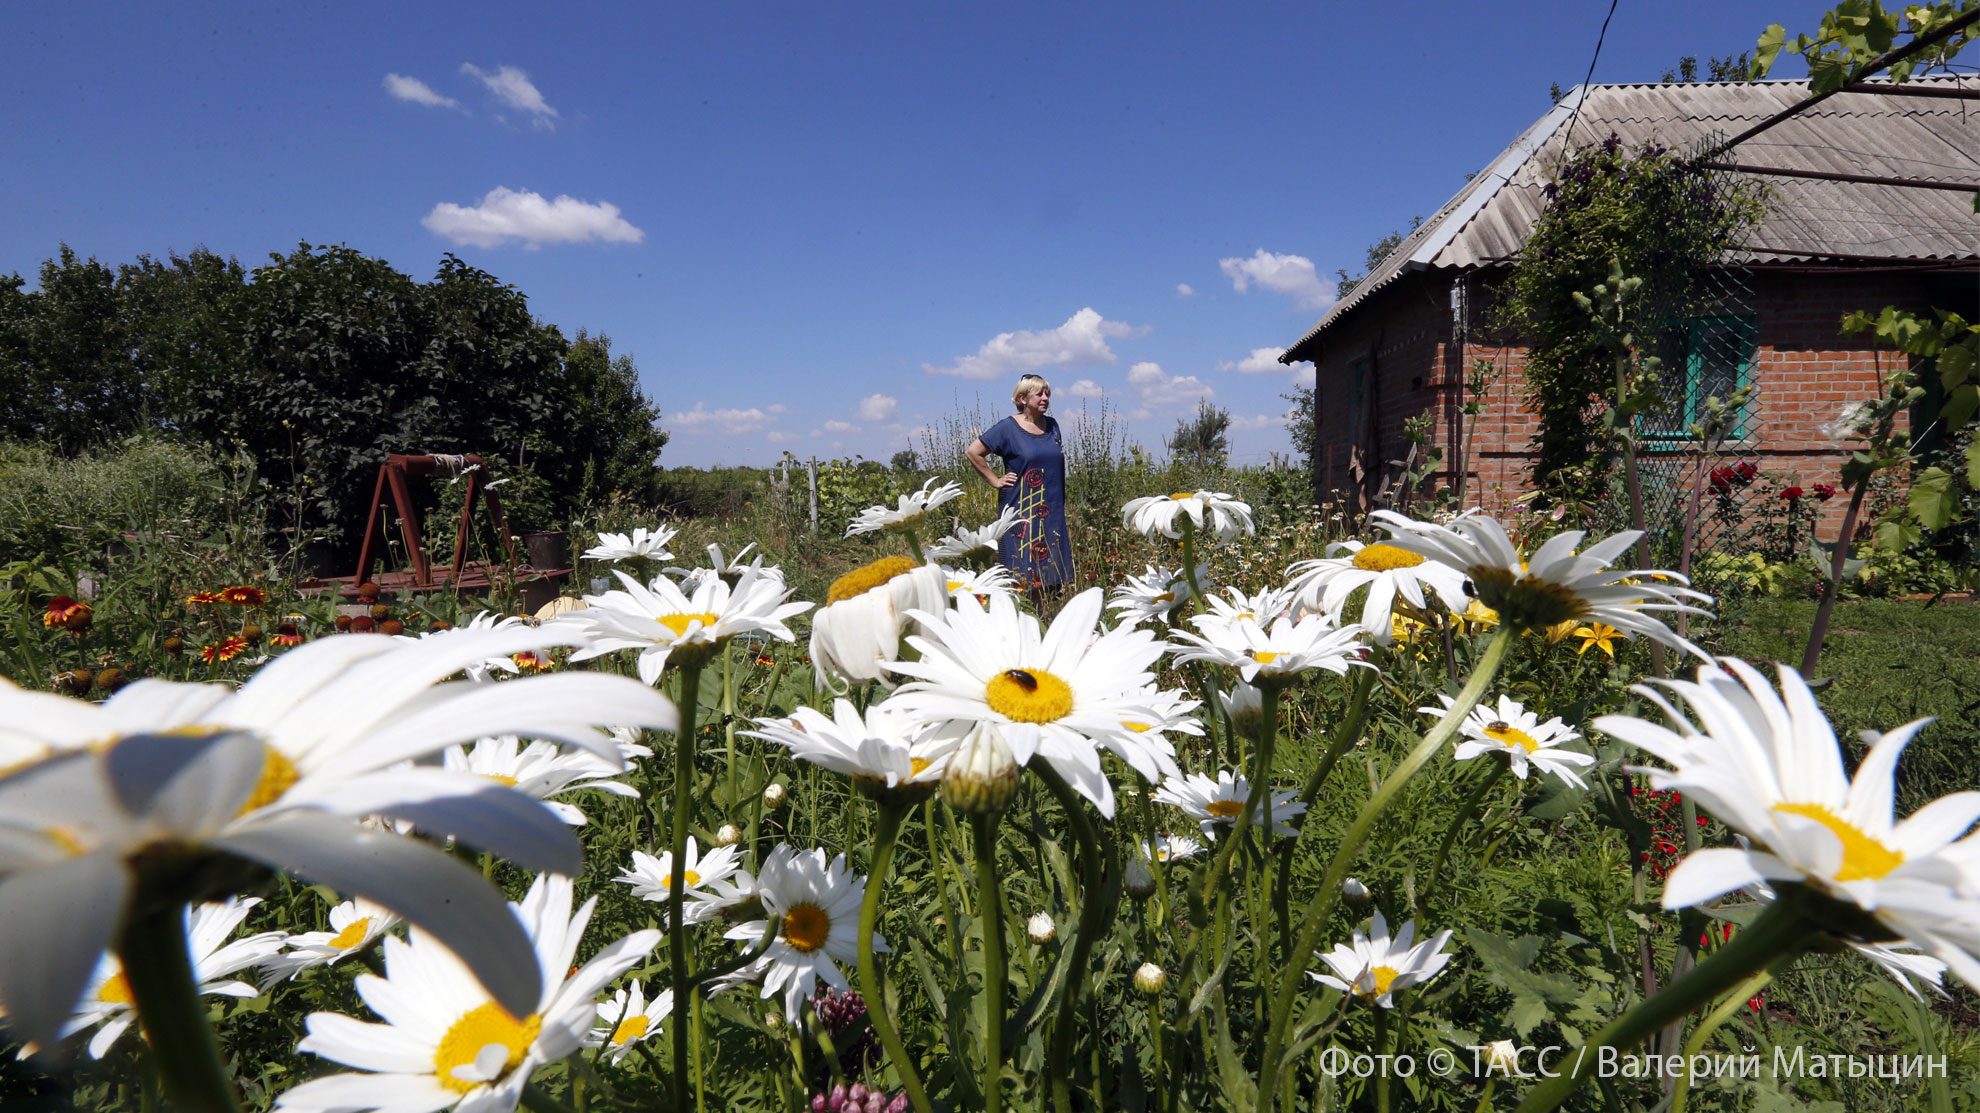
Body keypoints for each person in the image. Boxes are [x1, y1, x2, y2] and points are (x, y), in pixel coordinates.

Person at [966, 374, 1073, 592]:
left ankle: (1046, 620)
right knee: (1021, 575)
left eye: (1047, 393)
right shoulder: (1007, 428)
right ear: (1022, 399)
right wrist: (995, 480)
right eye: (1039, 394)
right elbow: (973, 452)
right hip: (1021, 510)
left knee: (1051, 578)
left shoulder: (1052, 426)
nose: (1045, 398)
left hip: (1051, 510)